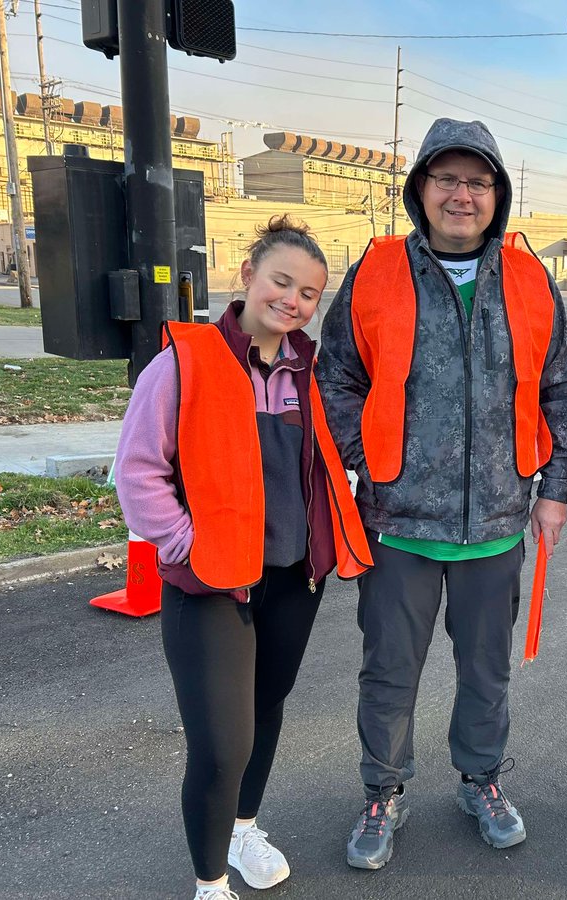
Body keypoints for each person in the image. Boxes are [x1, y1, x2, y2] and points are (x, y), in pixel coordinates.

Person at [317, 117, 567, 870]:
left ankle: (482, 780)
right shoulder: (375, 271)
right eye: (447, 179)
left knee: (487, 672)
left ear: (497, 194)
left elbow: (560, 386)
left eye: (478, 181)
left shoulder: (530, 279)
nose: (462, 195)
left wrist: (554, 490)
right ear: (420, 191)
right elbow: (337, 374)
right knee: (390, 671)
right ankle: (382, 792)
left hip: (498, 525)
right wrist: (369, 460)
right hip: (397, 525)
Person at [115, 215, 372, 899]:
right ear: (247, 277)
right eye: (281, 281)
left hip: (292, 579)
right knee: (222, 743)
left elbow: (324, 463)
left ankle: (242, 828)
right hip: (209, 587)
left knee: (266, 711)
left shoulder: (306, 369)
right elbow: (138, 471)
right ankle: (209, 885)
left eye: (309, 293)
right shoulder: (186, 362)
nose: (292, 300)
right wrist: (184, 547)